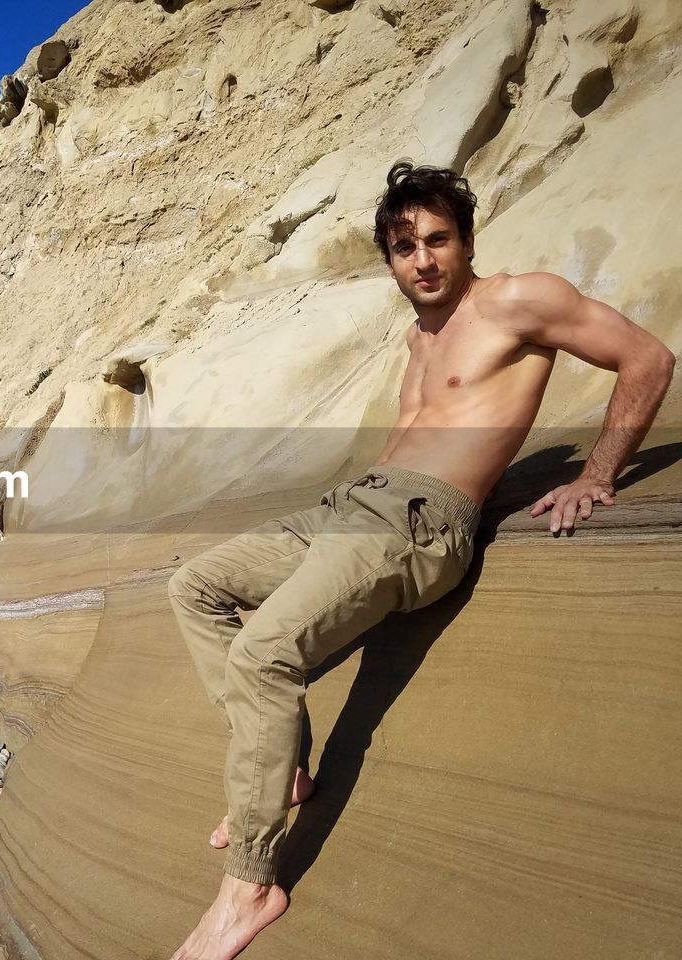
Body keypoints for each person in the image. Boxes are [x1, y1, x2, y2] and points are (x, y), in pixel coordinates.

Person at [166, 160, 675, 960]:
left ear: (467, 241)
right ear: (391, 260)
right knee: (194, 585)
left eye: (438, 239)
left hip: (418, 521)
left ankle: (252, 887)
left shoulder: (517, 300)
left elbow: (647, 358)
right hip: (351, 505)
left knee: (264, 652)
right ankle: (282, 767)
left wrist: (597, 475)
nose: (424, 259)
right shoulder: (417, 333)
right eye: (405, 247)